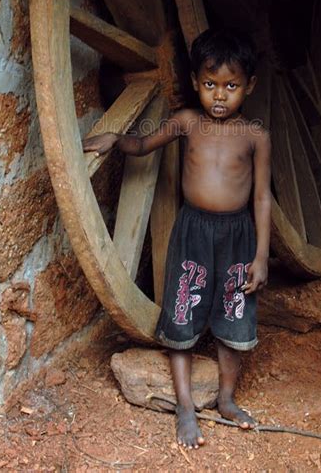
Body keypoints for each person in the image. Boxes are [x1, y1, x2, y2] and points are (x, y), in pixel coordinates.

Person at [83, 29, 271, 449]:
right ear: (194, 82)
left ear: (249, 86)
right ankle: (186, 406)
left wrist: (260, 255)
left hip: (238, 235)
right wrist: (116, 140)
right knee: (182, 316)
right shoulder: (187, 122)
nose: (219, 96)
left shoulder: (256, 136)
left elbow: (261, 198)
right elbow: (146, 143)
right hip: (193, 232)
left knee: (233, 316)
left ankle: (225, 398)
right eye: (209, 85)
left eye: (231, 86)